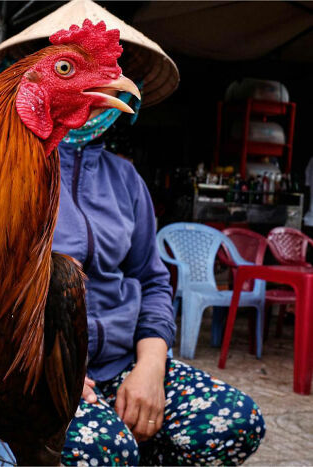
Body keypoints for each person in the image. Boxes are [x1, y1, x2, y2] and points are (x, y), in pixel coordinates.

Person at [55, 94, 264, 466]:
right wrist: (50, 369)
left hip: (122, 361)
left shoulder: (125, 178)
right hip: (41, 370)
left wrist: (150, 366)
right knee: (106, 451)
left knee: (235, 420)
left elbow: (151, 280)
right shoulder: (5, 172)